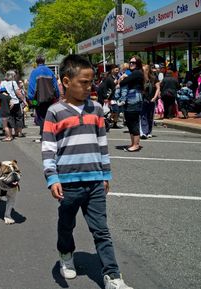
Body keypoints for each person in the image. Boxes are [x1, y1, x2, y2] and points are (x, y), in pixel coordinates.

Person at [42, 54, 133, 289]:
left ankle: (113, 276)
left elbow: (102, 143)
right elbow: (49, 148)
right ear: (66, 81)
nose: (88, 86)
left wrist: (105, 174)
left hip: (95, 181)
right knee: (66, 225)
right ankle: (66, 254)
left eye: (91, 81)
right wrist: (52, 178)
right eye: (83, 82)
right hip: (68, 183)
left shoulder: (97, 109)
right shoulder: (55, 112)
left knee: (101, 230)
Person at [27, 55, 59, 142]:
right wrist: (57, 96)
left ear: (36, 62)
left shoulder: (34, 72)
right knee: (50, 116)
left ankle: (44, 135)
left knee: (40, 117)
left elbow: (31, 87)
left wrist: (30, 99)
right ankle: (50, 134)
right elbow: (55, 86)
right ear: (44, 61)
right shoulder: (50, 71)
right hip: (50, 99)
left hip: (37, 100)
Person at [119, 56, 144, 152]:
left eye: (133, 62)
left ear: (137, 63)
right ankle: (133, 143)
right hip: (130, 97)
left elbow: (123, 82)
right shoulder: (130, 73)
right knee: (129, 122)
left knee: (133, 121)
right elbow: (122, 82)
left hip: (135, 97)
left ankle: (136, 145)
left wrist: (123, 79)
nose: (131, 64)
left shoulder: (137, 73)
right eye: (130, 62)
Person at [140, 64, 160, 138]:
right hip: (143, 99)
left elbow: (158, 88)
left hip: (151, 99)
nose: (142, 71)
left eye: (144, 70)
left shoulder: (154, 78)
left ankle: (149, 131)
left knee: (150, 116)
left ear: (148, 70)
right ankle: (144, 132)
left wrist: (155, 97)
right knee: (143, 115)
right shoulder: (141, 79)